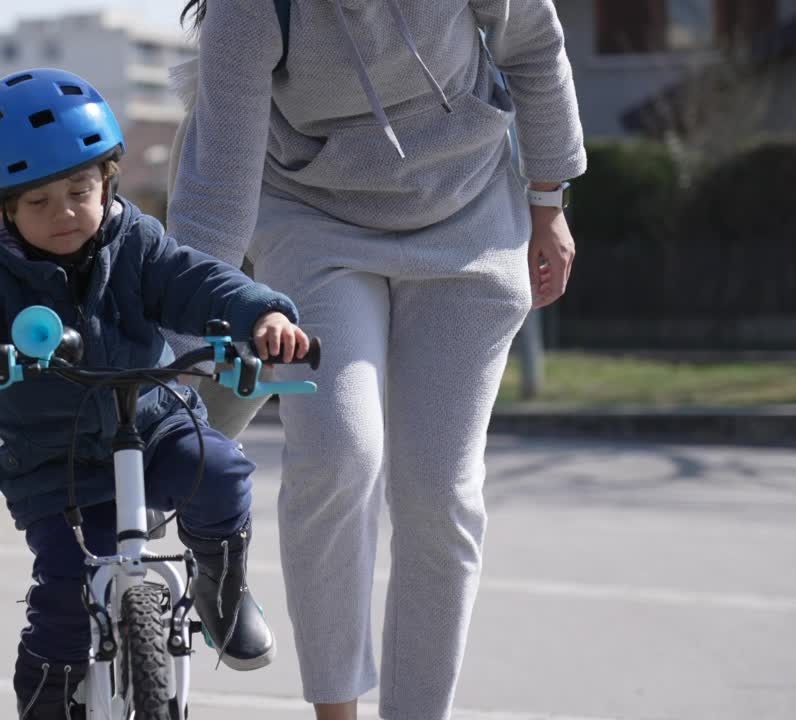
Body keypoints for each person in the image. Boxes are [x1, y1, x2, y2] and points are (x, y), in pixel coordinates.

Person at [165, 2, 586, 719]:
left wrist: (549, 200)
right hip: (313, 219)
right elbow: (217, 193)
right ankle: (336, 712)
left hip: (469, 218)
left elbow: (533, 45)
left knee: (439, 493)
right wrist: (185, 347)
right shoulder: (253, 11)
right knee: (338, 452)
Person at [0, 68, 311, 718]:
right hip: (55, 462)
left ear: (108, 179)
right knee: (66, 592)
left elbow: (199, 280)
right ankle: (43, 700)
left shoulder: (137, 242)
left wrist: (259, 315)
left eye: (79, 189)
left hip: (153, 422)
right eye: (37, 203)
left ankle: (220, 587)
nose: (64, 212)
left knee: (224, 471)